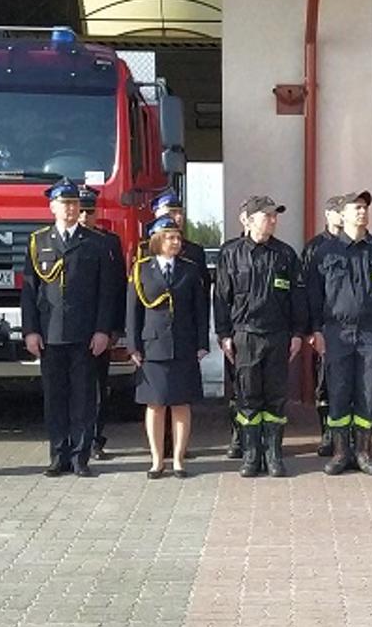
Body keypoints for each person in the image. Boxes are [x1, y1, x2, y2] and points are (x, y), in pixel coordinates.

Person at [22, 181, 123, 478]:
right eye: (63, 204)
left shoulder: (96, 242)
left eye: (73, 204)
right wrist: (30, 330)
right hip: (50, 333)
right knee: (55, 397)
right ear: (52, 207)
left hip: (85, 333)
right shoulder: (38, 241)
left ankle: (81, 456)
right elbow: (30, 291)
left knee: (83, 397)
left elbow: (107, 292)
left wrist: (103, 330)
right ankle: (58, 454)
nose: (69, 209)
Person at [308, 190, 372, 476]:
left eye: (364, 208)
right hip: (336, 332)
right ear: (343, 214)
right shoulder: (325, 252)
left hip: (371, 333)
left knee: (367, 392)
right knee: (338, 391)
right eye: (356, 207)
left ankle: (363, 452)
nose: (362, 212)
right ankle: (339, 452)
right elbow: (313, 295)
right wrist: (315, 331)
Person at [214, 196, 307, 477]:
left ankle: (274, 454)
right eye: (267, 216)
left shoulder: (286, 254)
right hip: (245, 336)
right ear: (248, 219)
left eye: (275, 215)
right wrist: (223, 334)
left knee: (276, 398)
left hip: (277, 336)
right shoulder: (231, 254)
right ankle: (252, 455)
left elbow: (297, 297)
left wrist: (297, 333)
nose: (273, 220)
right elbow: (221, 298)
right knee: (248, 397)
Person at [129, 217, 210, 479]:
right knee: (155, 404)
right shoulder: (141, 269)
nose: (176, 242)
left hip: (183, 345)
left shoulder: (189, 269)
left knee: (180, 404)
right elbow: (133, 311)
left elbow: (200, 309)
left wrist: (201, 343)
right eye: (170, 237)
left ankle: (178, 460)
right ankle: (156, 460)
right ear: (157, 240)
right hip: (153, 346)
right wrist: (133, 346)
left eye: (178, 237)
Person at [77, 187, 126, 462]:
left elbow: (117, 286)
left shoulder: (109, 242)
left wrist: (115, 327)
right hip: (71, 327)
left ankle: (96, 438)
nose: (84, 216)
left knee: (97, 387)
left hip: (100, 327)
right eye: (81, 211)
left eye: (89, 211)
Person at [299, 197, 347, 457]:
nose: (342, 216)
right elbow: (308, 291)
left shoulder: (357, 245)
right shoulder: (315, 248)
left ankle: (348, 437)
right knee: (324, 384)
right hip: (325, 327)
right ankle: (327, 434)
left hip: (350, 328)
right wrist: (310, 330)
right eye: (338, 211)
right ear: (328, 214)